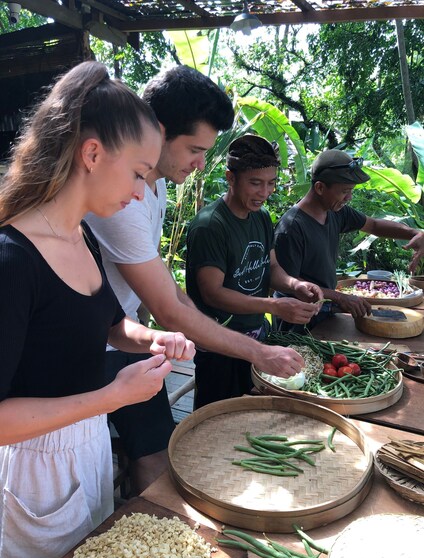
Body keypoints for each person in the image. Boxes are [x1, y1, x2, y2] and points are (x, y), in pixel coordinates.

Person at [0, 60, 195, 558]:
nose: (139, 192)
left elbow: (109, 325)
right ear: (92, 153)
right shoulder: (12, 259)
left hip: (86, 449)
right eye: (137, 173)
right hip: (32, 472)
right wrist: (111, 396)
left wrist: (149, 339)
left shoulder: (80, 234)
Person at [85, 67, 313, 495]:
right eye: (194, 149)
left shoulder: (155, 189)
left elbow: (169, 293)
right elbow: (172, 306)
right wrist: (258, 351)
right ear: (157, 131)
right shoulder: (122, 202)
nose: (200, 163)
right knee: (145, 457)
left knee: (157, 447)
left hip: (124, 335)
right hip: (94, 349)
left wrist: (205, 335)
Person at [185, 134, 323, 409]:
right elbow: (213, 294)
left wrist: (295, 284)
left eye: (271, 183)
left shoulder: (260, 218)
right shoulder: (210, 226)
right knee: (216, 415)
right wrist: (273, 306)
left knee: (250, 412)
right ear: (231, 178)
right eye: (255, 183)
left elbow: (270, 266)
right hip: (219, 343)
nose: (264, 192)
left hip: (257, 339)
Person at [273, 148, 424, 331]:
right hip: (296, 321)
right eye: (345, 191)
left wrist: (415, 232)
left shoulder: (336, 211)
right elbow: (289, 283)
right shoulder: (291, 228)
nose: (349, 197)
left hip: (324, 311)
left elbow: (374, 225)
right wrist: (339, 297)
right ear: (320, 187)